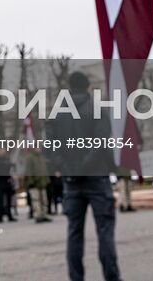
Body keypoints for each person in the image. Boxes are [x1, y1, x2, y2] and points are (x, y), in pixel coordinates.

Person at [47, 71, 121, 281]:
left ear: (69, 87)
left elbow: (51, 147)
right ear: (88, 87)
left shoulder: (57, 112)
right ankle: (112, 276)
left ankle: (76, 277)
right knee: (105, 231)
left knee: (74, 233)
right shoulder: (97, 109)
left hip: (71, 180)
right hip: (97, 176)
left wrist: (67, 167)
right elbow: (102, 144)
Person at [23, 146, 52, 222]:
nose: (39, 149)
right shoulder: (29, 158)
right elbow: (28, 171)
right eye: (37, 147)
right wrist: (31, 182)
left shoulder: (41, 157)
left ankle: (44, 214)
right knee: (36, 200)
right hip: (34, 183)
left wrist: (47, 180)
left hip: (43, 182)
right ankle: (38, 216)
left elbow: (44, 170)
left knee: (44, 200)